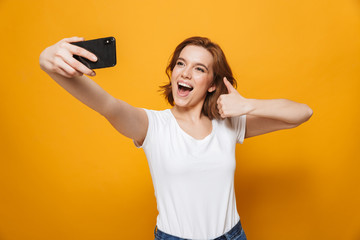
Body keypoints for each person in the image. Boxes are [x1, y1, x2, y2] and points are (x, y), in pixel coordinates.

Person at [39, 36, 313, 240]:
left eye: (199, 68)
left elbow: (302, 113)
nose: (185, 72)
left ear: (213, 84)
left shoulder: (228, 123)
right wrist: (49, 62)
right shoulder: (153, 125)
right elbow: (107, 105)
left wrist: (249, 105)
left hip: (232, 236)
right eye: (181, 63)